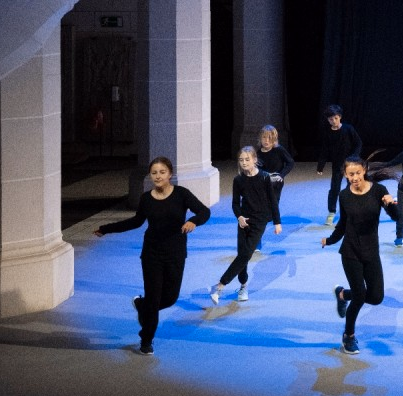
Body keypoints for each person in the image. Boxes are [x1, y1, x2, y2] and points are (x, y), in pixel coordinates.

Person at [94, 157, 210, 355]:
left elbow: (204, 212)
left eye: (162, 172)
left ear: (170, 174)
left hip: (175, 253)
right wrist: (106, 229)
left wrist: (193, 221)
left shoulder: (182, 194)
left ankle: (141, 304)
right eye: (154, 173)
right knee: (155, 300)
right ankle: (146, 340)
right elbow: (136, 222)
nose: (158, 176)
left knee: (170, 298)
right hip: (152, 254)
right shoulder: (146, 198)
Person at [322, 156, 400, 355]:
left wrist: (391, 205)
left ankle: (342, 294)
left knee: (375, 297)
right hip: (350, 252)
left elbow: (398, 217)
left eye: (357, 173)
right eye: (350, 174)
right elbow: (342, 224)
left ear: (364, 170)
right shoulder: (344, 195)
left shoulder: (379, 191)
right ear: (345, 175)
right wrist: (330, 240)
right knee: (359, 297)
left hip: (371, 252)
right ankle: (348, 336)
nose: (354, 177)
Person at [210, 147, 282, 304]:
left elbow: (272, 201)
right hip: (244, 221)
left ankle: (220, 285)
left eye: (247, 159)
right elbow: (235, 204)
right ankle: (243, 285)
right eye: (241, 160)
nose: (244, 163)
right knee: (242, 254)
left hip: (260, 221)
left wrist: (277, 222)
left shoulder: (264, 178)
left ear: (255, 160)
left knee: (245, 255)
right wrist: (239, 217)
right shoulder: (238, 180)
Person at [316, 104, 362, 226]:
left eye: (336, 118)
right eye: (331, 119)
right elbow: (324, 149)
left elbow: (358, 143)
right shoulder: (327, 132)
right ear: (328, 120)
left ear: (340, 117)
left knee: (351, 188)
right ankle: (331, 212)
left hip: (351, 165)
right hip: (337, 165)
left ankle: (350, 212)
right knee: (334, 188)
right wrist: (321, 166)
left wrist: (354, 157)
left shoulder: (348, 129)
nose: (334, 121)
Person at [256, 124, 294, 210]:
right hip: (264, 179)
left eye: (269, 138)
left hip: (276, 179)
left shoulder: (279, 150)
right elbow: (257, 168)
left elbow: (290, 162)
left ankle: (273, 215)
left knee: (274, 200)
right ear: (260, 139)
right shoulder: (258, 153)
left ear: (274, 139)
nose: (266, 140)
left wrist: (281, 175)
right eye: (264, 137)